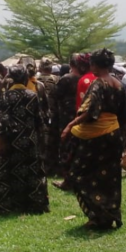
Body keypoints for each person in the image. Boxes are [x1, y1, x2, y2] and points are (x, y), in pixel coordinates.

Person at [62, 48, 126, 229]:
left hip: (96, 136)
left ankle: (97, 215)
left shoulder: (98, 83)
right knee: (111, 178)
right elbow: (124, 114)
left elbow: (91, 112)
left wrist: (70, 125)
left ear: (94, 64)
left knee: (78, 174)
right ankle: (111, 213)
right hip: (114, 134)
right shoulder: (119, 84)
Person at [0, 66, 49, 214]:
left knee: (9, 171)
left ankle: (8, 204)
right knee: (31, 171)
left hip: (12, 141)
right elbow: (39, 121)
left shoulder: (6, 96)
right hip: (30, 140)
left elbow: (3, 121)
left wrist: (1, 142)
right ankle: (34, 204)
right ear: (25, 78)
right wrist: (41, 141)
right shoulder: (32, 95)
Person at [52, 55, 82, 188]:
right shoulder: (85, 79)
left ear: (71, 65)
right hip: (80, 115)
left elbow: (55, 96)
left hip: (65, 116)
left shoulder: (65, 79)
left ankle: (66, 176)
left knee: (65, 145)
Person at [37, 58, 60, 175]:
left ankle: (40, 166)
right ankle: (51, 167)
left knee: (39, 141)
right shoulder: (56, 79)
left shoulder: (34, 80)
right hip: (53, 114)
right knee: (52, 141)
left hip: (38, 114)